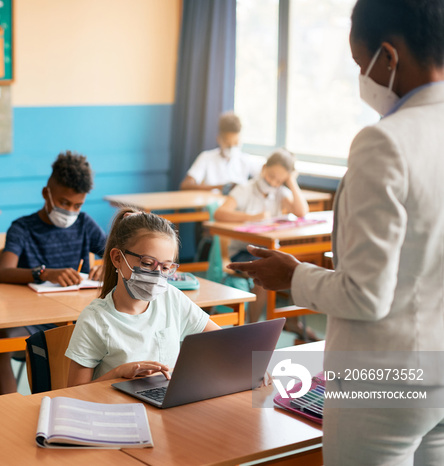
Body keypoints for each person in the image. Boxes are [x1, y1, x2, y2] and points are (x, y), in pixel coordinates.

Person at [228, 1, 444, 464]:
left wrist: (295, 276)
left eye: (357, 63)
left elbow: (367, 297)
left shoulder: (385, 141)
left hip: (387, 376)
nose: (360, 78)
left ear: (387, 56)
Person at [0, 151, 107, 395]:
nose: (70, 211)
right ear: (47, 194)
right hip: (36, 323)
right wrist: (44, 273)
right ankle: (9, 411)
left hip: (82, 322)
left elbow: (117, 253)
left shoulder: (85, 224)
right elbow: (2, 273)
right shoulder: (22, 228)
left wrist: (109, 265)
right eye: (64, 203)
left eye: (77, 205)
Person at [66, 208, 221, 385]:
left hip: (165, 405)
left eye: (165, 268)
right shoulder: (95, 319)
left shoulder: (171, 298)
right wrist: (119, 373)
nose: (157, 275)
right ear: (117, 258)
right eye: (147, 263)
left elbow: (223, 341)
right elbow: (75, 393)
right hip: (115, 409)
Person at [214, 149, 309, 331]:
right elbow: (220, 213)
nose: (273, 182)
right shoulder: (245, 189)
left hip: (268, 249)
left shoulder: (280, 192)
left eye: (279, 180)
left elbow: (301, 212)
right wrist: (252, 217)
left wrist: (291, 182)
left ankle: (292, 322)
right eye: (271, 176)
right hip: (243, 250)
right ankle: (254, 327)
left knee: (298, 268)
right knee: (265, 271)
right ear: (264, 168)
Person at [180, 112, 261, 193]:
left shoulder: (246, 160)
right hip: (211, 203)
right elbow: (185, 185)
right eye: (228, 144)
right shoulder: (206, 157)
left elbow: (265, 176)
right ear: (219, 139)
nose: (232, 147)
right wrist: (222, 187)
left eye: (236, 143)